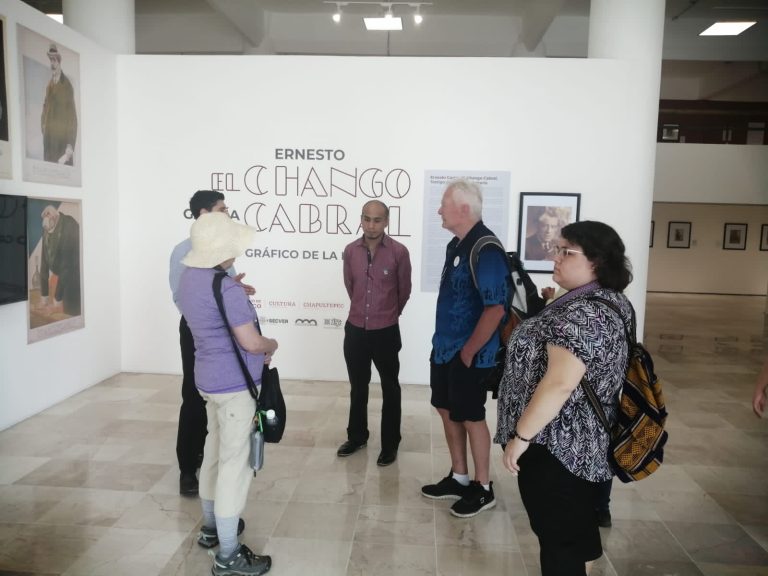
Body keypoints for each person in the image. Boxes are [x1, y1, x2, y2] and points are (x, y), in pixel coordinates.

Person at [496, 220, 633, 576]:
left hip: (557, 448)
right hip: (580, 444)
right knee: (570, 535)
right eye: (556, 249)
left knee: (559, 546)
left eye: (567, 252)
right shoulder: (605, 301)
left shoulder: (583, 313)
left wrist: (520, 437)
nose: (555, 257)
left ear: (597, 262)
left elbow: (560, 383)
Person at [178, 211, 276, 576]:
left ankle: (209, 529)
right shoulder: (227, 287)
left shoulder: (190, 279)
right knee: (234, 467)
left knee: (215, 454)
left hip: (206, 380)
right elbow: (251, 343)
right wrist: (273, 342)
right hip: (235, 387)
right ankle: (229, 554)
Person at [421, 178, 508, 518]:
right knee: (446, 408)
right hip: (444, 349)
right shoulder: (456, 245)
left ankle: (482, 487)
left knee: (471, 416)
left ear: (464, 209)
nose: (439, 209)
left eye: (444, 203)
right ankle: (459, 476)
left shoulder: (486, 249)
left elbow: (496, 308)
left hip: (471, 353)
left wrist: (470, 351)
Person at [169, 190, 254, 496]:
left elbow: (218, 288)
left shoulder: (223, 245)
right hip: (198, 330)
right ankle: (187, 468)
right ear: (205, 214)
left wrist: (236, 288)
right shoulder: (182, 250)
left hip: (223, 330)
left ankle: (209, 460)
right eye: (222, 209)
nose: (228, 213)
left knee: (222, 394)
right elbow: (186, 298)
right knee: (193, 395)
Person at [336, 200, 412, 466]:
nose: (371, 225)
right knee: (358, 387)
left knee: (390, 388)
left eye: (377, 220)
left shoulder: (399, 252)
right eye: (367, 219)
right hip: (355, 329)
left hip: (386, 330)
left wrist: (388, 314)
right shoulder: (350, 251)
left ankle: (390, 444)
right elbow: (350, 285)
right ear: (361, 219)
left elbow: (404, 291)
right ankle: (357, 436)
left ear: (387, 221)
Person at [36, 205, 80, 316]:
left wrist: (56, 302)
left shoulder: (69, 225)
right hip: (61, 276)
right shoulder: (47, 228)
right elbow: (44, 264)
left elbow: (67, 265)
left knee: (70, 312)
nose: (47, 232)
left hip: (74, 278)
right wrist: (44, 299)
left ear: (54, 218)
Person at [41, 44, 77, 165]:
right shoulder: (49, 86)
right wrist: (44, 126)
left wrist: (69, 148)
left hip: (61, 149)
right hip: (48, 145)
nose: (52, 64)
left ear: (59, 62)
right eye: (50, 60)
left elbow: (72, 119)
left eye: (54, 60)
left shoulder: (67, 86)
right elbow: (45, 108)